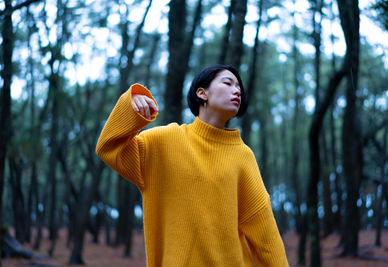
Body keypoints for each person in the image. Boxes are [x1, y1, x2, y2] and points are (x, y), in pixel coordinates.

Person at [96, 64, 289, 266]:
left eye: (239, 87)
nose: (237, 90)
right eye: (228, 83)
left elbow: (264, 230)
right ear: (202, 93)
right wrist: (130, 105)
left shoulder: (243, 155)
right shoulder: (164, 141)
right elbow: (109, 147)